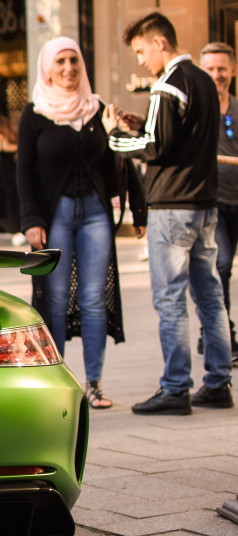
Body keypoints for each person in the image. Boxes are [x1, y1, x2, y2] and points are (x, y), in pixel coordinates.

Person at [106, 12, 232, 414]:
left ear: (159, 42)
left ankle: (176, 387)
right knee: (210, 297)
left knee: (170, 298)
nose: (141, 60)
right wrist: (143, 124)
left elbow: (156, 148)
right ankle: (218, 382)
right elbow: (181, 138)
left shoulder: (168, 84)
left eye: (142, 51)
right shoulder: (203, 83)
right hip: (204, 205)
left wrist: (116, 136)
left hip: (173, 206)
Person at [18, 37, 148, 410]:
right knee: (55, 301)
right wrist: (31, 219)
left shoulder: (98, 109)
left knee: (93, 300)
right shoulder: (35, 113)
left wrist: (139, 209)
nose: (68, 69)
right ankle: (59, 384)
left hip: (94, 214)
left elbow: (120, 160)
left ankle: (94, 384)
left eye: (74, 61)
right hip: (54, 217)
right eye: (60, 62)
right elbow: (24, 171)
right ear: (47, 67)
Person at [200, 42, 238, 358]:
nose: (217, 75)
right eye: (210, 69)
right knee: (222, 265)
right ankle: (222, 335)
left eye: (222, 68)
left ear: (233, 70)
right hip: (213, 204)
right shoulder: (199, 113)